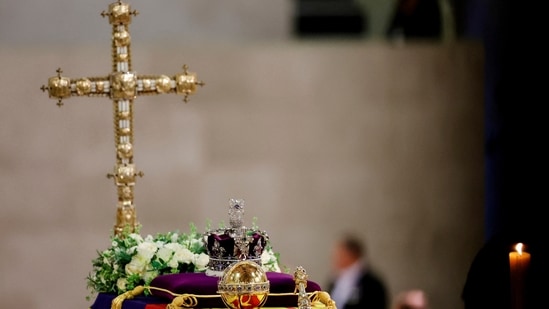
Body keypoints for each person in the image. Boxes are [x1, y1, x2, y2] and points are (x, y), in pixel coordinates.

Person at [326, 233, 388, 309]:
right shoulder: (335, 280)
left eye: (339, 254)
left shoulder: (371, 283)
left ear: (350, 255)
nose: (334, 258)